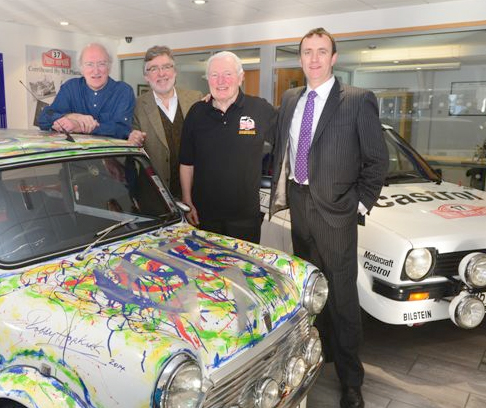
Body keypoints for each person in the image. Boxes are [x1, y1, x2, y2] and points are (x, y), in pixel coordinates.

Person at [269, 28, 388, 408]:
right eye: (307, 52)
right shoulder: (290, 99)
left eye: (322, 52)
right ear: (300, 58)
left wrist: (359, 205)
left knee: (342, 299)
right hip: (301, 208)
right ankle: (316, 360)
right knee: (311, 294)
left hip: (338, 214)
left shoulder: (356, 100)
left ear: (334, 58)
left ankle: (352, 381)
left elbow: (376, 161)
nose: (314, 59)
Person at [179, 51, 276, 244]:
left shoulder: (259, 109)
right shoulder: (197, 112)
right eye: (214, 75)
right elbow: (186, 163)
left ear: (240, 77)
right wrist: (187, 201)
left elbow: (285, 144)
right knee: (205, 272)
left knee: (243, 272)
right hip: (204, 218)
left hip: (245, 219)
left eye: (228, 74)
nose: (220, 80)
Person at [128, 46, 203, 198]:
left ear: (174, 71)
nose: (161, 73)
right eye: (153, 69)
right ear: (146, 76)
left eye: (166, 67)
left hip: (196, 191)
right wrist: (132, 140)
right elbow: (132, 150)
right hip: (157, 195)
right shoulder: (137, 106)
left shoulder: (196, 99)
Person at [37, 43, 135, 139]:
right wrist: (72, 117)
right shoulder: (70, 87)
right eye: (89, 64)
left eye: (101, 64)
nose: (96, 71)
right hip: (75, 154)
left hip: (110, 154)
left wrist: (80, 127)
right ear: (81, 69)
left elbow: (123, 130)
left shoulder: (123, 91)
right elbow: (45, 117)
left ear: (109, 67)